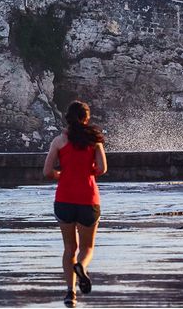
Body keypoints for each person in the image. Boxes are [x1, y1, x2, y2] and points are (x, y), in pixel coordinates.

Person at [43, 101, 107, 308]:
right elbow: (102, 169)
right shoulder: (94, 140)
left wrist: (61, 174)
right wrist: (87, 171)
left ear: (68, 117)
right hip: (88, 198)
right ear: (86, 118)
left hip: (64, 199)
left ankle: (70, 293)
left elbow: (47, 171)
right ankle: (82, 266)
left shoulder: (59, 141)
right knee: (87, 247)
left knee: (69, 247)